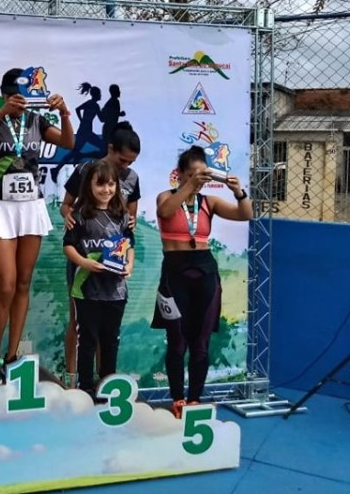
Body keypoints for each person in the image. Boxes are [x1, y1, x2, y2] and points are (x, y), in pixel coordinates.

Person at [0, 68, 74, 386]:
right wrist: (1, 112)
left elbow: (68, 142)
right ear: (4, 94)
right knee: (6, 285)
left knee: (24, 282)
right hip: (0, 205)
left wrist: (64, 112)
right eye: (13, 96)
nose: (20, 101)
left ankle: (12, 355)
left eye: (23, 96)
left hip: (30, 206)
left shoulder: (37, 121)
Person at [153, 145, 252, 418]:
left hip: (205, 272)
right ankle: (177, 399)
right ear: (180, 174)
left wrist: (239, 192)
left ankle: (195, 399)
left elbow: (245, 214)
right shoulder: (166, 196)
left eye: (202, 175)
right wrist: (188, 186)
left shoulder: (209, 202)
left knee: (201, 342)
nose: (199, 180)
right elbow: (165, 212)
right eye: (192, 174)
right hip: (175, 273)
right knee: (177, 341)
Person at [59, 121, 141, 386]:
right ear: (111, 149)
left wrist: (130, 232)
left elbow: (129, 220)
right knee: (81, 323)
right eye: (122, 160)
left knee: (108, 332)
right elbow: (66, 206)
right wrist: (71, 218)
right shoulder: (86, 169)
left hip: (113, 273)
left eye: (131, 162)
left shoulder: (132, 178)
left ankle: (104, 382)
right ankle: (74, 379)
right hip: (85, 261)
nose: (125, 166)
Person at [50, 82, 105, 182]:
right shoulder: (91, 104)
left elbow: (101, 119)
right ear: (96, 95)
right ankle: (56, 169)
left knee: (101, 148)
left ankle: (58, 168)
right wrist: (81, 119)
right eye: (100, 94)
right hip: (84, 131)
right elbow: (78, 109)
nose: (101, 95)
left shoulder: (96, 106)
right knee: (77, 151)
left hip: (87, 131)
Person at [99, 84, 126, 151]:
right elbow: (106, 113)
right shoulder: (113, 101)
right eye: (118, 90)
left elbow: (110, 112)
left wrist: (119, 114)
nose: (119, 92)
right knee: (107, 148)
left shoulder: (113, 101)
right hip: (109, 128)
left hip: (111, 127)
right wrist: (119, 114)